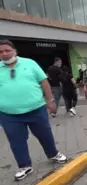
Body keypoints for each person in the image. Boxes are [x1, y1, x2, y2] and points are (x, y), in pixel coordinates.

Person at [0, 40, 67, 181]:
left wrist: (50, 101)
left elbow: (44, 82)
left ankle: (53, 154)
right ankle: (24, 165)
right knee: (16, 141)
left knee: (45, 134)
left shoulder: (29, 63)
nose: (4, 54)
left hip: (35, 109)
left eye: (7, 50)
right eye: (1, 52)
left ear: (14, 51)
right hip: (8, 114)